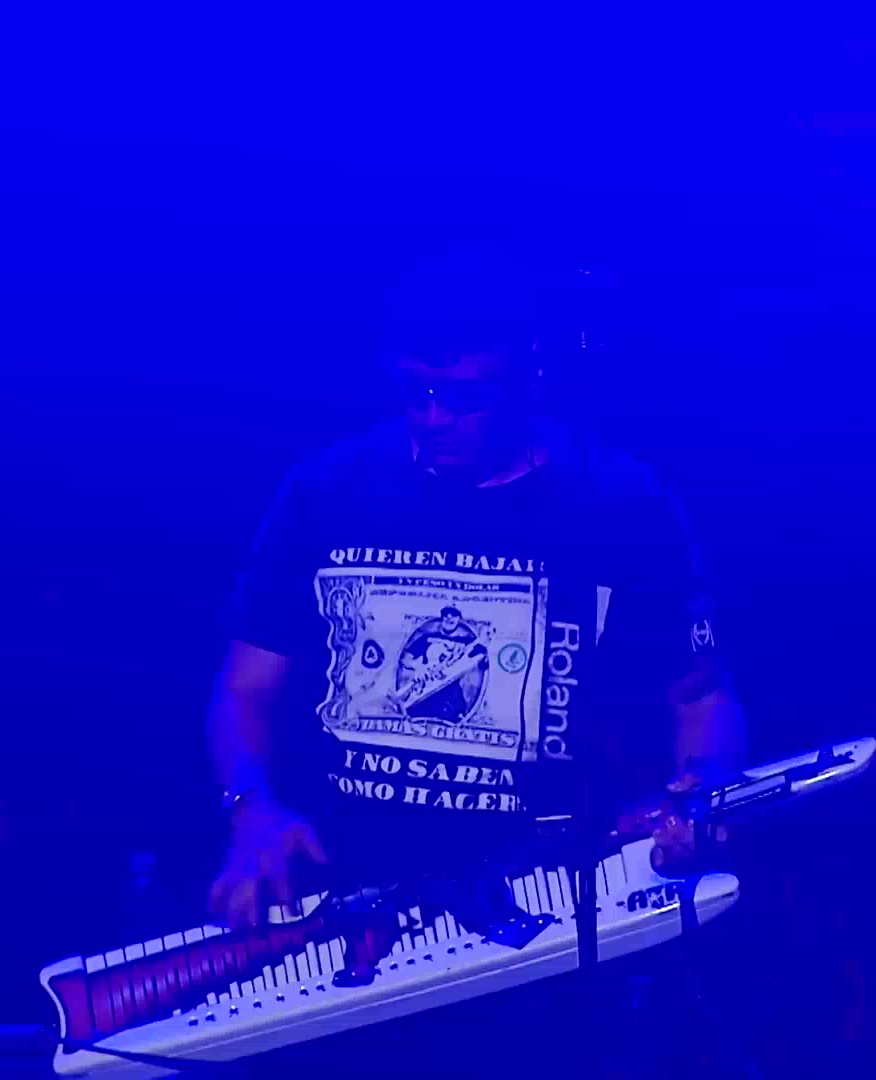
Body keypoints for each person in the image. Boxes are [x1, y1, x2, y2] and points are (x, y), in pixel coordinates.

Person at [207, 248, 747, 929]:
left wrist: (702, 791)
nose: (435, 418)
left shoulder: (620, 507)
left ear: (529, 376)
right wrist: (251, 807)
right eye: (416, 391)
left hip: (553, 903)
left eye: (465, 398)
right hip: (353, 903)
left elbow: (701, 699)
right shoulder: (325, 496)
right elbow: (243, 691)